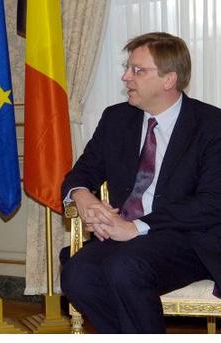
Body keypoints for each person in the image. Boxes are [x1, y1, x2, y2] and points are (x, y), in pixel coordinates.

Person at [60, 32, 221, 333]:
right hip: (125, 237)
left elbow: (212, 203)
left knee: (125, 268)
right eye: (127, 68)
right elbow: (80, 174)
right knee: (77, 273)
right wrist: (83, 198)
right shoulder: (116, 119)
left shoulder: (211, 125)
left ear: (168, 79)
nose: (125, 77)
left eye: (138, 70)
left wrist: (135, 227)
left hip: (186, 239)